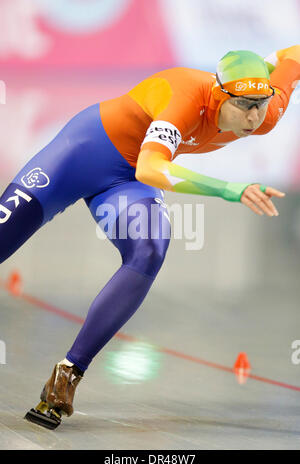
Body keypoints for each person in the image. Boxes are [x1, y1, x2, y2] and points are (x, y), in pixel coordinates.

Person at [0, 46, 298, 429]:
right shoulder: (186, 97)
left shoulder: (268, 111)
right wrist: (230, 189)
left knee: (149, 249)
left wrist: (271, 64)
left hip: (125, 183)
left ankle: (68, 374)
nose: (255, 116)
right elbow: (152, 167)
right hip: (81, 155)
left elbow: (293, 55)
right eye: (244, 105)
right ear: (220, 94)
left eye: (261, 103)